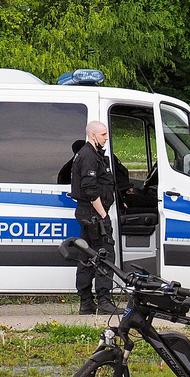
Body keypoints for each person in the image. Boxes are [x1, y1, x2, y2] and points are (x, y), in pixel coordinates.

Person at [69, 120, 122, 315]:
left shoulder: (91, 154)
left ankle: (86, 303)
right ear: (93, 136)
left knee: (87, 256)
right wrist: (103, 214)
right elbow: (90, 189)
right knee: (104, 255)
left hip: (87, 214)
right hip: (94, 214)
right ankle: (104, 301)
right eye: (103, 135)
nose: (106, 138)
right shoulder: (89, 156)